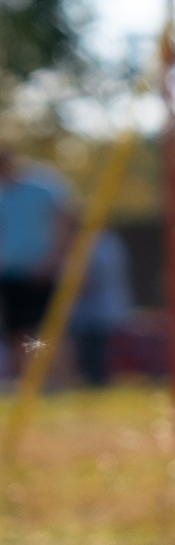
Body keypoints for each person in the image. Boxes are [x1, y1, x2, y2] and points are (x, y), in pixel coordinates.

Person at [0, 144, 74, 378]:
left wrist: (53, 261)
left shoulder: (44, 188)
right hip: (11, 272)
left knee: (50, 329)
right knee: (16, 330)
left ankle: (60, 381)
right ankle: (23, 382)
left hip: (45, 271)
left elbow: (64, 225)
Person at [69, 225, 132, 386]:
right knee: (100, 350)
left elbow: (89, 279)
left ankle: (96, 382)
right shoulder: (111, 241)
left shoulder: (92, 244)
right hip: (106, 307)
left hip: (94, 309)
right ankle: (97, 380)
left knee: (95, 351)